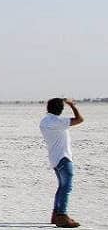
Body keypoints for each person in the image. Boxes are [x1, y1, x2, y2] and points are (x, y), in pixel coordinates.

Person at [40, 98, 84, 228]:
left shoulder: (45, 121)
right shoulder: (57, 121)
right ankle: (62, 216)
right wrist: (73, 106)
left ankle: (56, 214)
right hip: (63, 158)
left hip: (55, 158)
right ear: (60, 109)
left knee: (62, 187)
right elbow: (80, 119)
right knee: (66, 187)